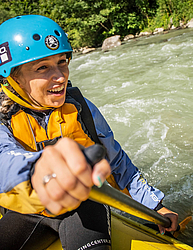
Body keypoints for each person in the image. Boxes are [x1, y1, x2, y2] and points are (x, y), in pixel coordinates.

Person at [0, 15, 178, 250]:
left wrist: (155, 205)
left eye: (62, 61)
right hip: (29, 210)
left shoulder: (82, 109)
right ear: (12, 78)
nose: (61, 76)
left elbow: (117, 163)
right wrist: (37, 170)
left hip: (85, 202)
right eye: (42, 67)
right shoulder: (4, 119)